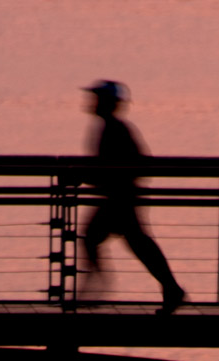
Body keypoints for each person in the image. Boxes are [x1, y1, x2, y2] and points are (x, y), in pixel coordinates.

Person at [82, 82, 185, 315]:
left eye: (97, 99)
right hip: (120, 196)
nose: (92, 103)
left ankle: (96, 285)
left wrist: (94, 176)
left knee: (102, 238)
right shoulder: (111, 127)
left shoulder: (115, 129)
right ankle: (170, 288)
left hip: (119, 197)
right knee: (136, 243)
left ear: (110, 104)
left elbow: (122, 164)